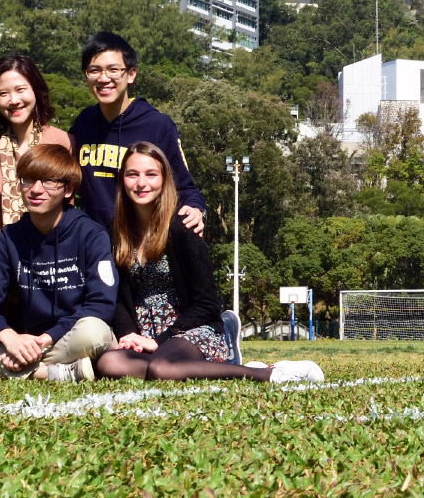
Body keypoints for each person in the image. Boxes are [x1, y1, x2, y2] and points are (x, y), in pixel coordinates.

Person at [95, 142, 324, 384]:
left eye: (151, 174)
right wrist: (129, 334)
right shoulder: (115, 233)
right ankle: (198, 367)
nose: (142, 183)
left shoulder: (183, 226)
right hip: (146, 332)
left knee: (162, 368)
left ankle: (268, 373)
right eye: (133, 174)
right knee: (109, 363)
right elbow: (118, 297)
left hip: (188, 328)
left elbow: (207, 303)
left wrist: (159, 340)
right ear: (122, 180)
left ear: (164, 180)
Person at [0, 144, 117, 381]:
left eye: (48, 181)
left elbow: (101, 304)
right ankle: (51, 374)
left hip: (67, 337)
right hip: (24, 342)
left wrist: (47, 338)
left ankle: (0, 370)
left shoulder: (91, 234)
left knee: (95, 331)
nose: (36, 190)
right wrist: (9, 337)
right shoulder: (10, 237)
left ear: (68, 190)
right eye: (28, 180)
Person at [68, 32, 205, 233]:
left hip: (141, 247)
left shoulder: (157, 125)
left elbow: (186, 188)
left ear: (131, 74)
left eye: (113, 70)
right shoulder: (83, 122)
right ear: (85, 75)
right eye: (94, 70)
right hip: (92, 248)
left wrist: (195, 209)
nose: (104, 78)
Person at [0, 54, 72, 225]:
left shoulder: (63, 142)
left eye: (20, 90)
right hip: (0, 247)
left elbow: (70, 204)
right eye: (3, 93)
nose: (13, 100)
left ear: (35, 90)